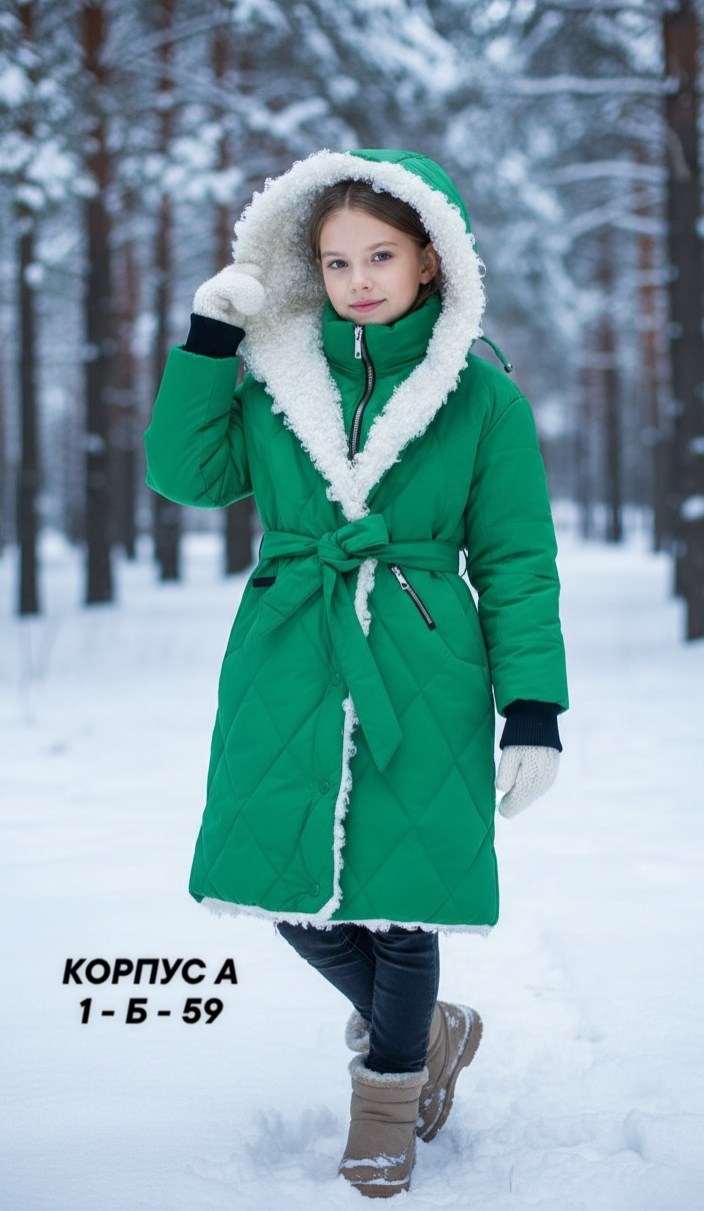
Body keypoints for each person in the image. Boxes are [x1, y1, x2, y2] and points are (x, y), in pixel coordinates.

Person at [144, 148, 569, 1199]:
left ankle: (385, 1100)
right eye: (335, 262)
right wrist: (209, 342)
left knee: (402, 898)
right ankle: (431, 1032)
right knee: (276, 884)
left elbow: (515, 557)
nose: (358, 279)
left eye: (380, 254)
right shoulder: (273, 376)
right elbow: (185, 475)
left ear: (432, 260)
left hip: (421, 658)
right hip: (288, 648)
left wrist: (531, 706)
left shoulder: (480, 395)